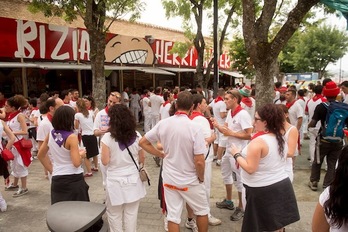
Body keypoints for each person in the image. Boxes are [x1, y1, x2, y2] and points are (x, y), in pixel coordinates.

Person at [140, 91, 209, 232]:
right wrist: (201, 177)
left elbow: (143, 142)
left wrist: (160, 154)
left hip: (170, 178)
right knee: (202, 211)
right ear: (191, 107)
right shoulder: (195, 128)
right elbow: (200, 161)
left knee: (173, 216)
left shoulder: (163, 124)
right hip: (190, 179)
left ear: (176, 105)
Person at [232, 103, 300, 232]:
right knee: (276, 225)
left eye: (256, 119)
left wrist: (236, 154)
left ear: (266, 122)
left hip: (261, 190)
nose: (253, 122)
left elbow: (250, 168)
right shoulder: (279, 138)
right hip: (279, 185)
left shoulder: (259, 142)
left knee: (262, 226)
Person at [100, 104, 146, 232]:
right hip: (133, 179)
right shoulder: (136, 135)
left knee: (114, 215)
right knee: (131, 215)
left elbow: (104, 161)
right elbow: (142, 158)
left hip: (115, 180)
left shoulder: (107, 138)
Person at [213, 90, 253, 222]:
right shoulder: (231, 112)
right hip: (229, 150)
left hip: (238, 151)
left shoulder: (243, 114)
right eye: (224, 99)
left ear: (235, 99)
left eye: (227, 99)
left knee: (239, 181)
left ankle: (241, 207)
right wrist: (217, 126)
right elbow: (225, 130)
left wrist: (232, 133)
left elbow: (249, 134)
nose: (224, 101)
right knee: (225, 174)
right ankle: (229, 201)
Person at [37, 106, 88, 204]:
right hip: (73, 178)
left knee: (60, 212)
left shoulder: (50, 135)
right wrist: (81, 154)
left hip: (57, 178)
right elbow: (76, 163)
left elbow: (40, 155)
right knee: (79, 212)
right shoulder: (71, 137)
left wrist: (52, 169)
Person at [186, 93, 221, 227]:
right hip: (203, 158)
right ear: (198, 105)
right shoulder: (201, 120)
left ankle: (192, 217)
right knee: (204, 187)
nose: (207, 105)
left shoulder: (190, 117)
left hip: (193, 158)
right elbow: (205, 141)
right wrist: (213, 137)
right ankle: (205, 214)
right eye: (205, 103)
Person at [308, 81, 348, 191]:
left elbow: (313, 123)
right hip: (338, 141)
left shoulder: (321, 107)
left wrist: (308, 126)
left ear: (325, 94)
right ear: (337, 94)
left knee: (317, 161)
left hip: (323, 140)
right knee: (332, 163)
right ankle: (327, 184)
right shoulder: (345, 107)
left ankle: (314, 182)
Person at [312, 145, 348, 231]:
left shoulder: (331, 194)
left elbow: (318, 229)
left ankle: (315, 180)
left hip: (324, 142)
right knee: (331, 163)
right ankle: (325, 182)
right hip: (336, 143)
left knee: (318, 161)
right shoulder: (330, 193)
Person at [4, 95, 30, 197]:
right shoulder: (11, 115)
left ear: (13, 107)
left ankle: (24, 187)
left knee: (20, 165)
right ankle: (15, 184)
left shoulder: (19, 116)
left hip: (18, 144)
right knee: (14, 165)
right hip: (12, 144)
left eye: (7, 106)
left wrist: (11, 133)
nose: (5, 107)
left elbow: (25, 131)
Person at [75, 99, 99, 177]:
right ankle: (96, 167)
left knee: (86, 155)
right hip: (93, 134)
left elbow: (76, 126)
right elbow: (94, 121)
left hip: (85, 135)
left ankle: (89, 172)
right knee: (95, 152)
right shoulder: (91, 112)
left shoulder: (77, 115)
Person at [305, 85, 326, 163]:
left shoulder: (309, 100)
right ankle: (325, 164)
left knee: (312, 143)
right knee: (324, 145)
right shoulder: (324, 100)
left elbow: (306, 112)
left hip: (311, 124)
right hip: (320, 125)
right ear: (322, 91)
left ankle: (313, 161)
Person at [207, 88, 227, 165]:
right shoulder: (222, 103)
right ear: (224, 94)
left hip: (216, 123)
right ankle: (219, 159)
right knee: (222, 142)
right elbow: (222, 115)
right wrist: (228, 112)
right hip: (221, 124)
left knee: (216, 141)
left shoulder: (215, 101)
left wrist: (210, 117)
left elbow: (207, 108)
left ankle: (215, 156)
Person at [0, 119, 16, 212]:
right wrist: (5, 150)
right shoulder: (1, 122)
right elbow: (12, 138)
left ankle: (1, 201)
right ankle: (1, 202)